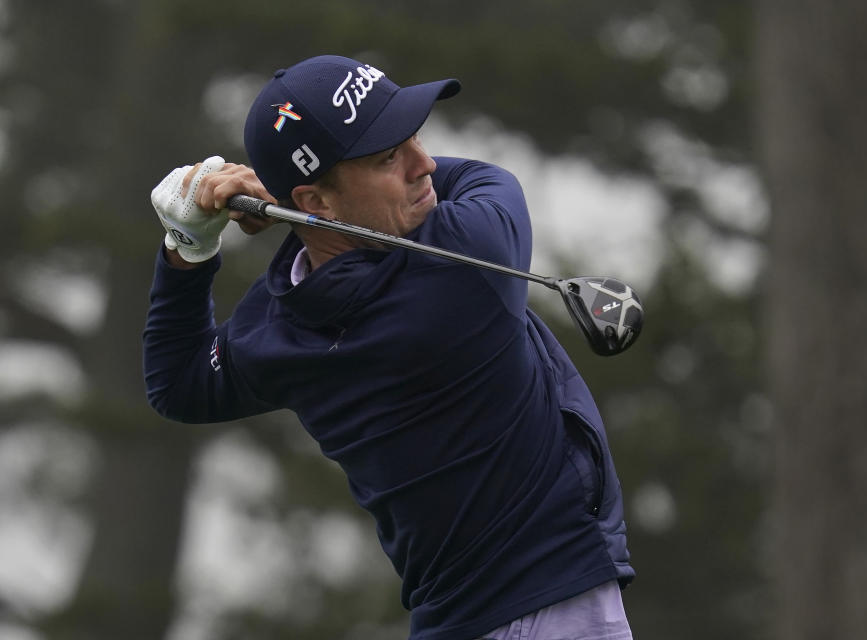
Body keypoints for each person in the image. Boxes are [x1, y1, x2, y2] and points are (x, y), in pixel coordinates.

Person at [144, 54, 635, 640]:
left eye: (414, 139)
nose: (423, 163)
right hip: (550, 612)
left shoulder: (276, 328)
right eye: (388, 157)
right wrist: (278, 200)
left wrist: (188, 245)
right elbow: (483, 176)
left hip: (459, 620)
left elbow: (177, 383)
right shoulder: (469, 259)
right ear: (318, 202)